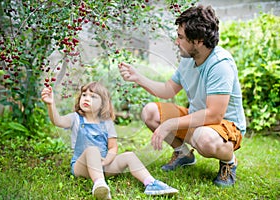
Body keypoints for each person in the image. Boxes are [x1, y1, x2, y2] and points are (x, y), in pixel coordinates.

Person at [118, 5, 246, 187]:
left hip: (226, 127)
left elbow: (214, 115)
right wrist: (137, 78)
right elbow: (167, 89)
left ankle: (229, 162)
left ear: (198, 40)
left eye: (181, 37)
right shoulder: (188, 59)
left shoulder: (220, 64)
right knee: (150, 112)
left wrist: (171, 124)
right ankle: (183, 154)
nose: (177, 42)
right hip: (198, 118)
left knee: (204, 138)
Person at [41, 81, 178, 200]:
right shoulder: (75, 118)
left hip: (103, 165)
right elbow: (58, 121)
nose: (86, 98)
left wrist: (106, 161)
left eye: (93, 96)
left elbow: (113, 148)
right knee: (92, 150)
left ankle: (151, 183)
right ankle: (100, 185)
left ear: (103, 104)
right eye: (84, 95)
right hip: (81, 167)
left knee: (129, 156)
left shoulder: (106, 123)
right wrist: (50, 104)